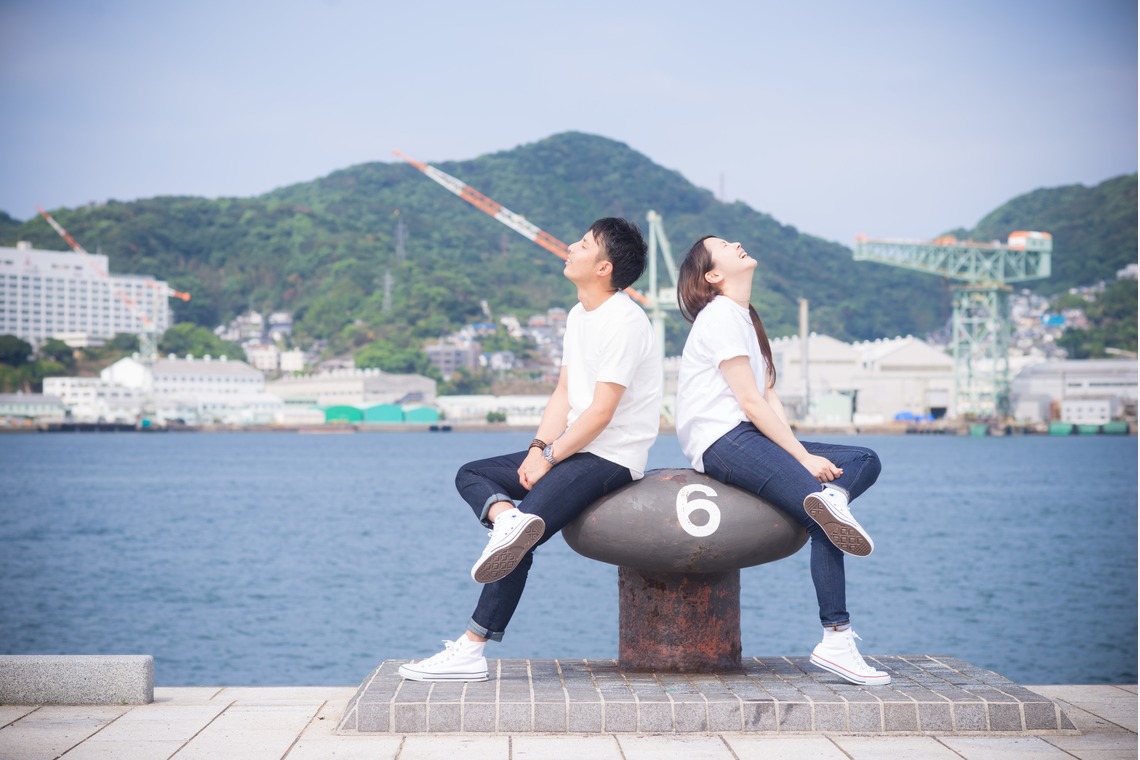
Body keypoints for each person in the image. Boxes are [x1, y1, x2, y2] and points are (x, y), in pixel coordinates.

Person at [399, 217, 663, 682]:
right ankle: (506, 520)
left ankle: (471, 649)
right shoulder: (579, 314)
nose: (569, 247)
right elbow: (564, 391)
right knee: (472, 475)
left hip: (611, 457)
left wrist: (553, 456)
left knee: (523, 538)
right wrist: (537, 447)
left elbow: (602, 412)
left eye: (582, 245)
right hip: (570, 448)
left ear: (604, 267)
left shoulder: (625, 320)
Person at [673, 235, 890, 686]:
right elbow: (750, 402)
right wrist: (802, 458)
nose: (737, 243)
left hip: (751, 434)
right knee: (823, 518)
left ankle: (832, 500)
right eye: (724, 246)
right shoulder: (718, 317)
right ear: (713, 275)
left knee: (864, 458)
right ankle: (836, 639)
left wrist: (801, 452)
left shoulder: (746, 318)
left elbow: (769, 396)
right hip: (722, 439)